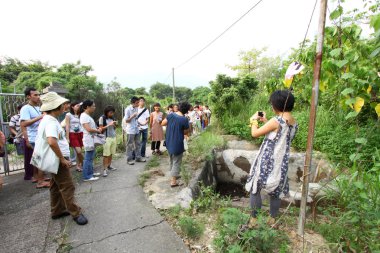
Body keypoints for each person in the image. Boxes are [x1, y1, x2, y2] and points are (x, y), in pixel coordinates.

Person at [245, 90, 298, 224]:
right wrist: (266, 121)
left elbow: (255, 133)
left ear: (276, 105)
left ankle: (254, 220)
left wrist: (253, 120)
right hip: (281, 163)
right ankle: (272, 220)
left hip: (267, 160)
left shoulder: (276, 120)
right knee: (276, 191)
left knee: (255, 187)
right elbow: (279, 133)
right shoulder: (293, 122)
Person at [36, 92, 88, 225]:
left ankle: (57, 210)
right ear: (56, 106)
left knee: (54, 186)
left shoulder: (48, 119)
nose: (65, 107)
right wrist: (63, 159)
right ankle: (75, 213)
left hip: (53, 158)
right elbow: (52, 141)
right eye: (62, 105)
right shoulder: (51, 122)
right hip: (57, 159)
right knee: (68, 186)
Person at [20, 87, 50, 188]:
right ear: (29, 96)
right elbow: (24, 123)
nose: (38, 97)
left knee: (37, 159)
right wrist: (40, 117)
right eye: (35, 95)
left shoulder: (37, 108)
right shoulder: (25, 108)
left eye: (38, 95)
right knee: (40, 158)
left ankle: (37, 177)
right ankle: (40, 182)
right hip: (33, 138)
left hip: (39, 136)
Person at [161, 102, 190, 187]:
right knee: (177, 161)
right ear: (186, 110)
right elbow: (186, 131)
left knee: (171, 159)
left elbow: (162, 123)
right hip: (177, 142)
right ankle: (173, 181)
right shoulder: (184, 119)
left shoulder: (171, 115)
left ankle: (173, 175)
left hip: (169, 141)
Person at [80, 100, 102, 181]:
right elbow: (88, 129)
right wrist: (97, 131)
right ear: (87, 107)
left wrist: (96, 129)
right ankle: (87, 176)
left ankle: (91, 172)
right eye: (93, 106)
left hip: (91, 139)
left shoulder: (87, 116)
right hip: (88, 139)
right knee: (88, 158)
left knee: (91, 157)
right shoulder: (84, 116)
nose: (94, 107)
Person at [124, 96, 146, 165]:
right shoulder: (128, 109)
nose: (138, 104)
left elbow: (136, 119)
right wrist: (132, 116)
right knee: (129, 145)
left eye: (138, 102)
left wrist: (140, 124)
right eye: (137, 103)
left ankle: (138, 158)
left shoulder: (136, 108)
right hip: (130, 130)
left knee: (138, 144)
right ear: (133, 103)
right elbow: (126, 120)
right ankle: (129, 159)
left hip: (136, 129)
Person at [99, 105, 118, 177]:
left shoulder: (112, 118)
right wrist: (109, 125)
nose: (112, 114)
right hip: (106, 138)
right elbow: (101, 129)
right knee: (106, 154)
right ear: (106, 112)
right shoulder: (102, 118)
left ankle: (109, 166)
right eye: (110, 112)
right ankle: (104, 169)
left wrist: (114, 125)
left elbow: (114, 128)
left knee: (111, 153)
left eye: (113, 113)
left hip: (113, 137)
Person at [65, 101, 84, 172]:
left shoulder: (81, 114)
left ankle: (78, 165)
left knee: (79, 151)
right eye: (77, 105)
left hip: (80, 133)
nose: (78, 107)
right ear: (72, 107)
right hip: (72, 134)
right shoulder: (68, 115)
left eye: (79, 106)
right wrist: (67, 138)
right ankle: (84, 163)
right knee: (78, 151)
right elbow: (67, 126)